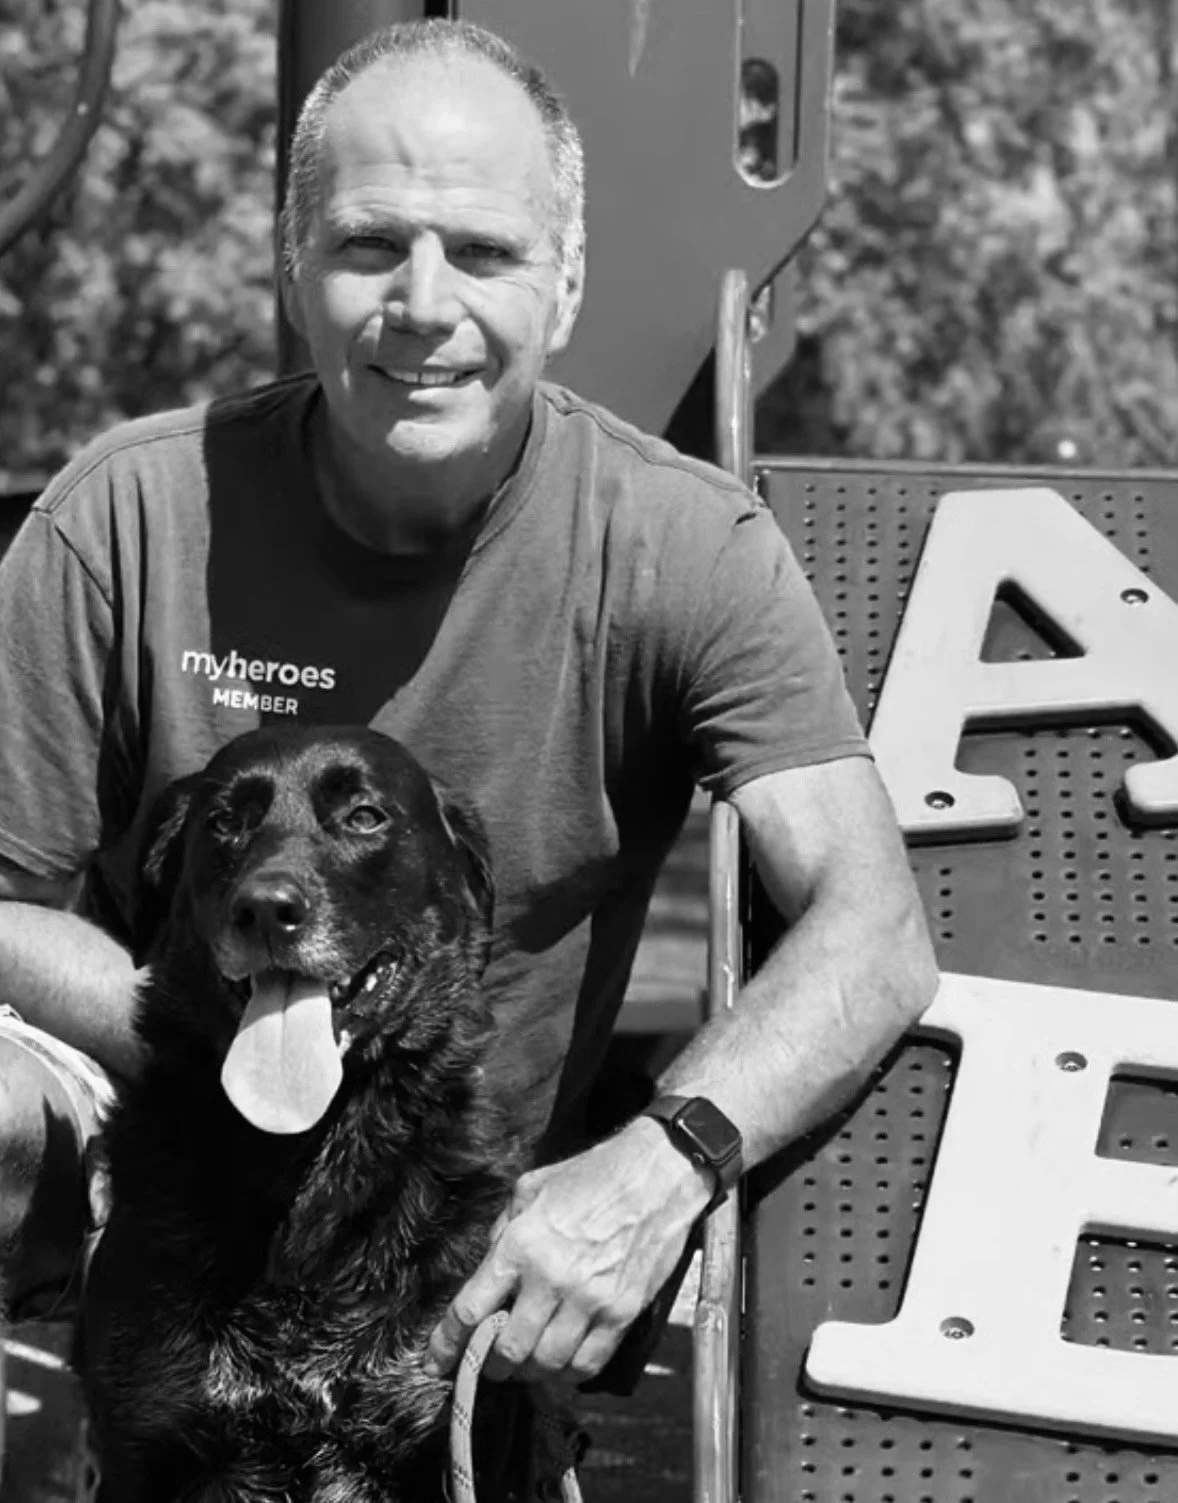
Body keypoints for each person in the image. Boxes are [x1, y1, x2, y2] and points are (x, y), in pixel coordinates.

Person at [0, 15, 937, 1405]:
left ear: (562, 287)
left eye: (484, 253)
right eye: (371, 244)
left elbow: (874, 929)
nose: (423, 304)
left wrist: (654, 1160)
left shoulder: (681, 545)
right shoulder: (124, 513)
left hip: (456, 1208)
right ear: (292, 266)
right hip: (143, 1144)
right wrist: (230, 1020)